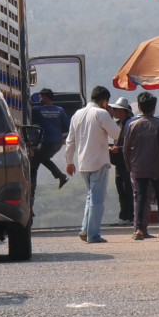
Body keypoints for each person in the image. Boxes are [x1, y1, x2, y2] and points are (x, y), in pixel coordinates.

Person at [65, 86, 121, 244]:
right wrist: (110, 115)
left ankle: (85, 229)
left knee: (90, 197)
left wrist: (69, 161)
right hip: (99, 162)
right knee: (97, 200)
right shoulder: (101, 113)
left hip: (83, 163)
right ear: (104, 101)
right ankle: (93, 234)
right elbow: (116, 134)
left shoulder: (78, 114)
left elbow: (70, 141)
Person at [123, 92, 159, 240]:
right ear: (154, 108)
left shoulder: (132, 125)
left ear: (139, 107)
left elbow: (126, 150)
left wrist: (130, 168)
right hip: (157, 169)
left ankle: (139, 229)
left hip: (138, 168)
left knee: (140, 197)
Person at [30, 88, 70, 206]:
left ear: (46, 97)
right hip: (57, 143)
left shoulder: (36, 110)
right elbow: (67, 126)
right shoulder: (60, 110)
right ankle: (59, 175)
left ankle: (32, 190)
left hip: (46, 142)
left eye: (41, 97)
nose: (40, 99)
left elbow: (29, 121)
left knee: (34, 163)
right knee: (41, 158)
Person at [108, 97, 135, 226]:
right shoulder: (118, 124)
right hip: (119, 161)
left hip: (126, 161)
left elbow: (130, 143)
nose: (114, 112)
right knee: (121, 188)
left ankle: (129, 216)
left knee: (127, 188)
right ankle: (124, 216)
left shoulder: (129, 124)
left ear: (123, 111)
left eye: (116, 110)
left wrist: (117, 148)